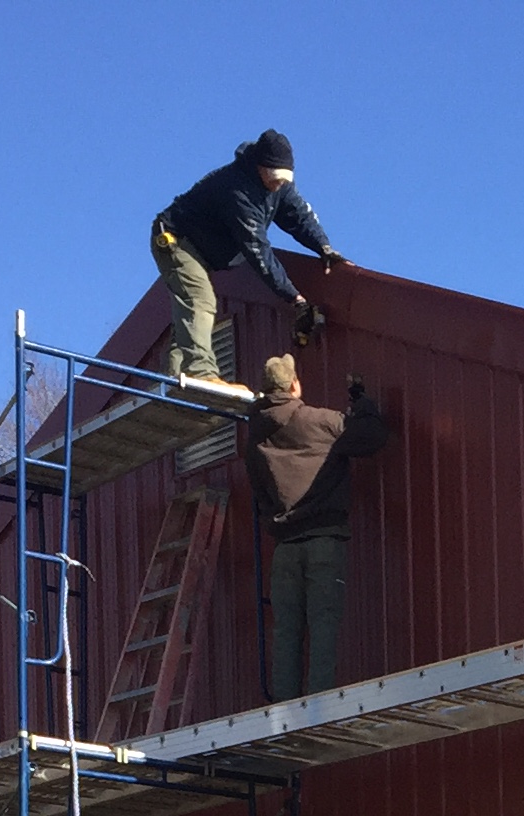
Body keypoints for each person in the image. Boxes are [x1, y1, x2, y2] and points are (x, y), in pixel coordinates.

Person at [152, 130, 352, 391]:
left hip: (203, 249)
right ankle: (201, 373)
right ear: (260, 167)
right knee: (199, 300)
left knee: (190, 309)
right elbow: (257, 249)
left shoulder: (280, 186)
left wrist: (324, 248)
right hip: (176, 240)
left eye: (285, 178)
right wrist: (294, 297)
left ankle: (175, 377)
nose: (279, 184)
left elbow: (300, 217)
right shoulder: (237, 191)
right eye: (275, 178)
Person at [247, 357, 390, 700]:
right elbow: (372, 437)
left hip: (284, 548)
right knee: (323, 622)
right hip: (324, 539)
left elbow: (259, 492)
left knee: (286, 631)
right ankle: (319, 703)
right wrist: (361, 400)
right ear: (294, 384)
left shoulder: (254, 437)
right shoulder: (319, 421)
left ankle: (284, 708)